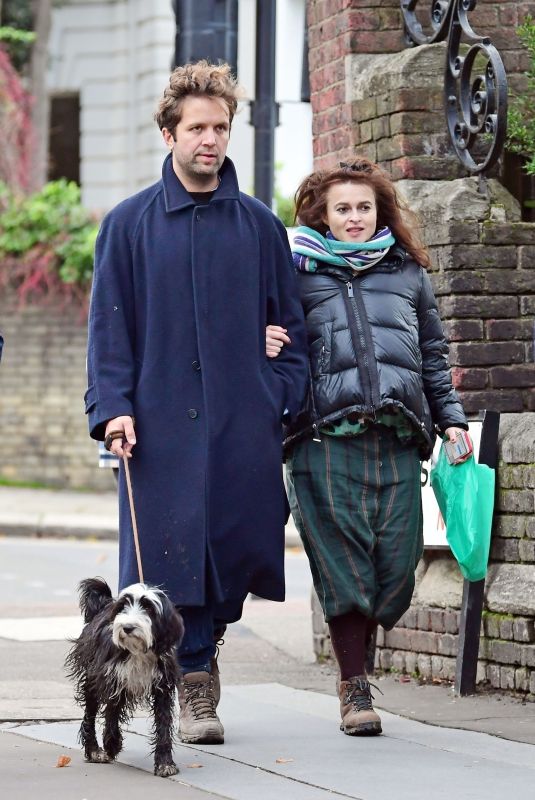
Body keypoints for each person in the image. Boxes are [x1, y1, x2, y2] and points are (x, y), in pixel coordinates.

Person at [85, 61, 307, 745]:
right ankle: (193, 686)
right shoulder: (126, 226)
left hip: (243, 423)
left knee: (231, 560)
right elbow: (109, 329)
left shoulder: (261, 227)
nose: (210, 140)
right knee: (164, 565)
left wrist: (278, 391)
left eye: (220, 127)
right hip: (155, 428)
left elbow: (292, 327)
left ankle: (199, 663)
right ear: (168, 133)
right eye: (196, 128)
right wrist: (112, 406)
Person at [268, 158, 470, 737]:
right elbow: (270, 344)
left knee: (397, 568)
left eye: (364, 207)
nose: (354, 218)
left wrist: (451, 421)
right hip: (323, 438)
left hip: (400, 437)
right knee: (344, 566)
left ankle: (361, 658)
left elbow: (433, 355)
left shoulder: (406, 273)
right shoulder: (295, 273)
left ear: (378, 211)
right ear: (323, 217)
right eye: (343, 209)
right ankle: (355, 687)